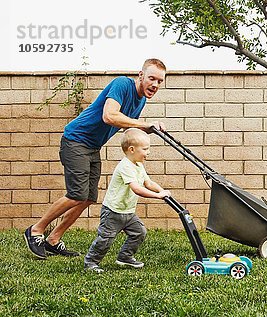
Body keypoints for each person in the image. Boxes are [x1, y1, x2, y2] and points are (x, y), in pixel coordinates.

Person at [24, 58, 167, 259]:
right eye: (152, 78)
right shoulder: (122, 85)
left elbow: (126, 126)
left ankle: (53, 239)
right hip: (76, 140)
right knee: (76, 194)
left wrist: (148, 131)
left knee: (89, 197)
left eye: (160, 81)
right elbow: (109, 116)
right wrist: (144, 124)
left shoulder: (140, 100)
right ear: (140, 75)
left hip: (92, 146)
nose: (155, 84)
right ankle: (36, 230)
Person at [84, 128, 171, 273]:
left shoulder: (138, 165)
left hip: (128, 212)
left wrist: (162, 191)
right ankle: (91, 262)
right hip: (113, 211)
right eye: (145, 149)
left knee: (139, 232)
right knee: (105, 239)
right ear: (132, 149)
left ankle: (124, 257)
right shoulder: (125, 166)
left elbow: (148, 183)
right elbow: (136, 188)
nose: (148, 152)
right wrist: (157, 196)